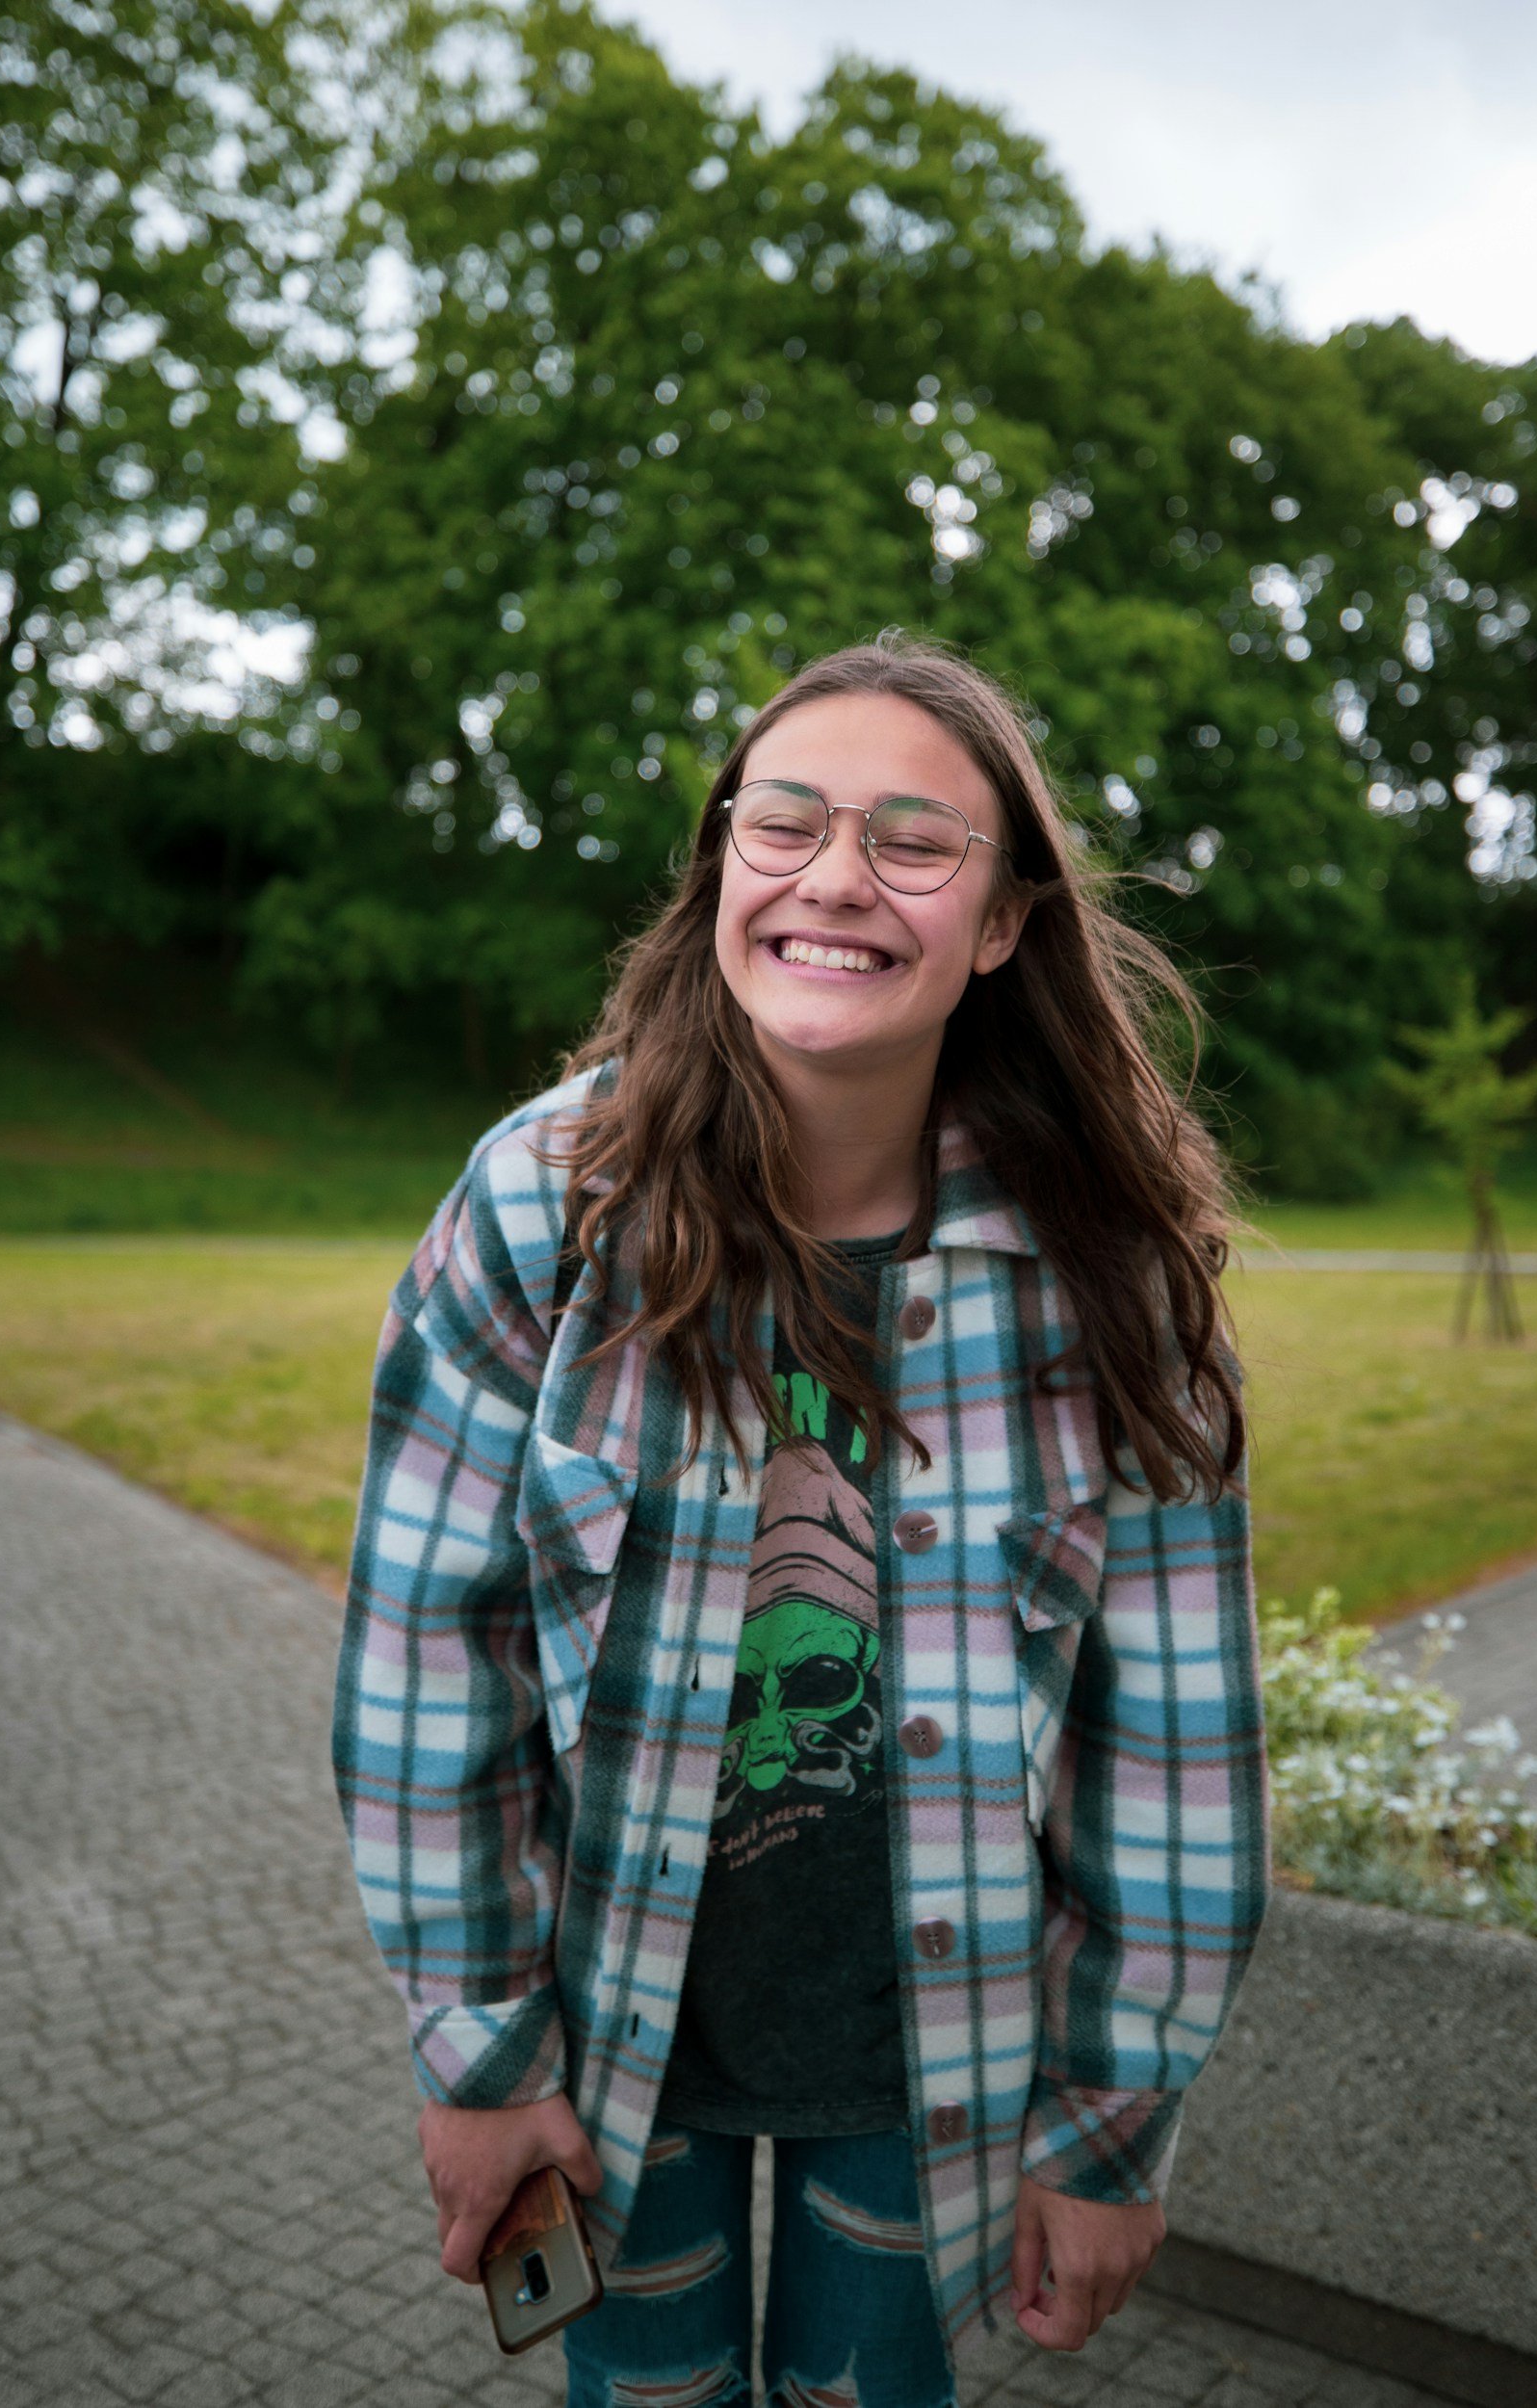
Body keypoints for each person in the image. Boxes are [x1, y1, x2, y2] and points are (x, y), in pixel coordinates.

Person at [331, 633, 1269, 2406]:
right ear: (719, 877)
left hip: (938, 2062)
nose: (835, 877)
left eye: (915, 843)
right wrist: (478, 2053)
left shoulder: (1110, 1277)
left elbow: (1177, 1736)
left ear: (1001, 924)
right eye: (786, 825)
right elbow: (420, 1662)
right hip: (608, 2051)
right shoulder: (544, 1215)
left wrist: (1112, 2117)